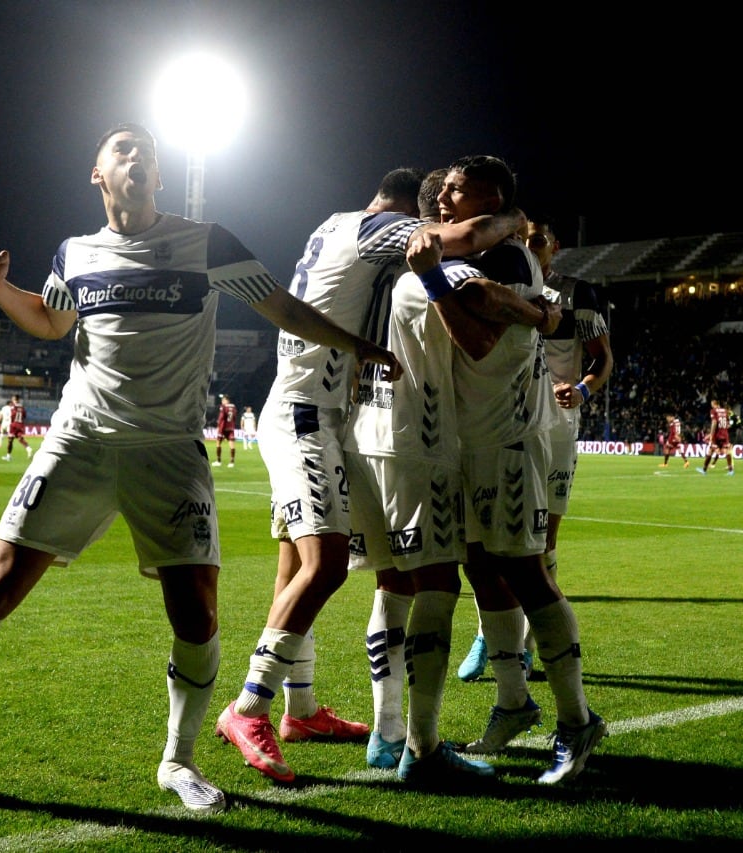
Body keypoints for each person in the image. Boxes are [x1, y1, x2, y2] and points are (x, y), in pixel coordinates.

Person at [0, 122, 400, 814]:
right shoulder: (74, 253)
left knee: (195, 611)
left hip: (168, 450)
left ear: (160, 179)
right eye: (122, 150)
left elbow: (281, 307)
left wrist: (358, 346)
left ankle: (179, 758)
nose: (137, 159)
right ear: (98, 174)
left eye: (148, 154)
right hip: (79, 440)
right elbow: (50, 322)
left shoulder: (208, 243)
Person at [215, 167, 525, 784]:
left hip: (320, 412)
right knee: (327, 563)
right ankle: (248, 706)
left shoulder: (332, 224)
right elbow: (457, 241)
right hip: (309, 416)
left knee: (294, 568)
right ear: (405, 210)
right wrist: (513, 224)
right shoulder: (378, 228)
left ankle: (300, 710)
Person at [349, 169, 558, 781]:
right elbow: (479, 309)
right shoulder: (433, 258)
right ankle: (422, 747)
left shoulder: (360, 247)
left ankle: (389, 735)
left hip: (364, 431)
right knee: (444, 581)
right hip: (422, 441)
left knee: (396, 584)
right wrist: (544, 312)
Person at [431, 155, 607, 785]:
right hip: (471, 441)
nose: (444, 197)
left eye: (457, 188)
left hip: (506, 441)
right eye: (443, 188)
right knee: (484, 570)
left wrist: (431, 278)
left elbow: (477, 332)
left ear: (492, 197)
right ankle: (512, 701)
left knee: (529, 576)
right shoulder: (489, 251)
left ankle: (577, 721)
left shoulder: (504, 254)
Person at [456, 218, 613, 684]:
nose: (529, 245)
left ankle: (520, 646)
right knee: (482, 543)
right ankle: (492, 630)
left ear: (554, 247)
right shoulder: (499, 282)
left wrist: (583, 390)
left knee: (540, 542)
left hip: (557, 425)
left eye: (538, 239)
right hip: (501, 418)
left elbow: (603, 357)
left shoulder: (576, 292)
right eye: (522, 239)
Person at [698, 398, 735, 475]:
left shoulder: (713, 411)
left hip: (716, 435)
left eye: (712, 404)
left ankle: (704, 470)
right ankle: (731, 471)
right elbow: (728, 424)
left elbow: (714, 423)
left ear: (715, 404)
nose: (711, 406)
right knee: (727, 451)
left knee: (710, 451)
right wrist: (724, 428)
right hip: (725, 434)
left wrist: (711, 434)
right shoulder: (725, 411)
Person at [0, 393, 32, 461]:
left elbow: (11, 415)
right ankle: (28, 448)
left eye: (12, 399)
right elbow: (24, 416)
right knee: (20, 439)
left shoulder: (12, 407)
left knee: (10, 440)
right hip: (20, 425)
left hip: (14, 425)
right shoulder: (22, 407)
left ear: (14, 399)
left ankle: (8, 456)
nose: (12, 400)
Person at [213, 393, 237, 467]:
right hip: (231, 427)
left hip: (223, 427)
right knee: (232, 445)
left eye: (223, 400)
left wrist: (218, 425)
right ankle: (232, 462)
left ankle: (218, 461)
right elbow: (235, 416)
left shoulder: (223, 407)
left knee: (218, 443)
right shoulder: (233, 407)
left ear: (227, 400)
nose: (222, 401)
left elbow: (221, 417)